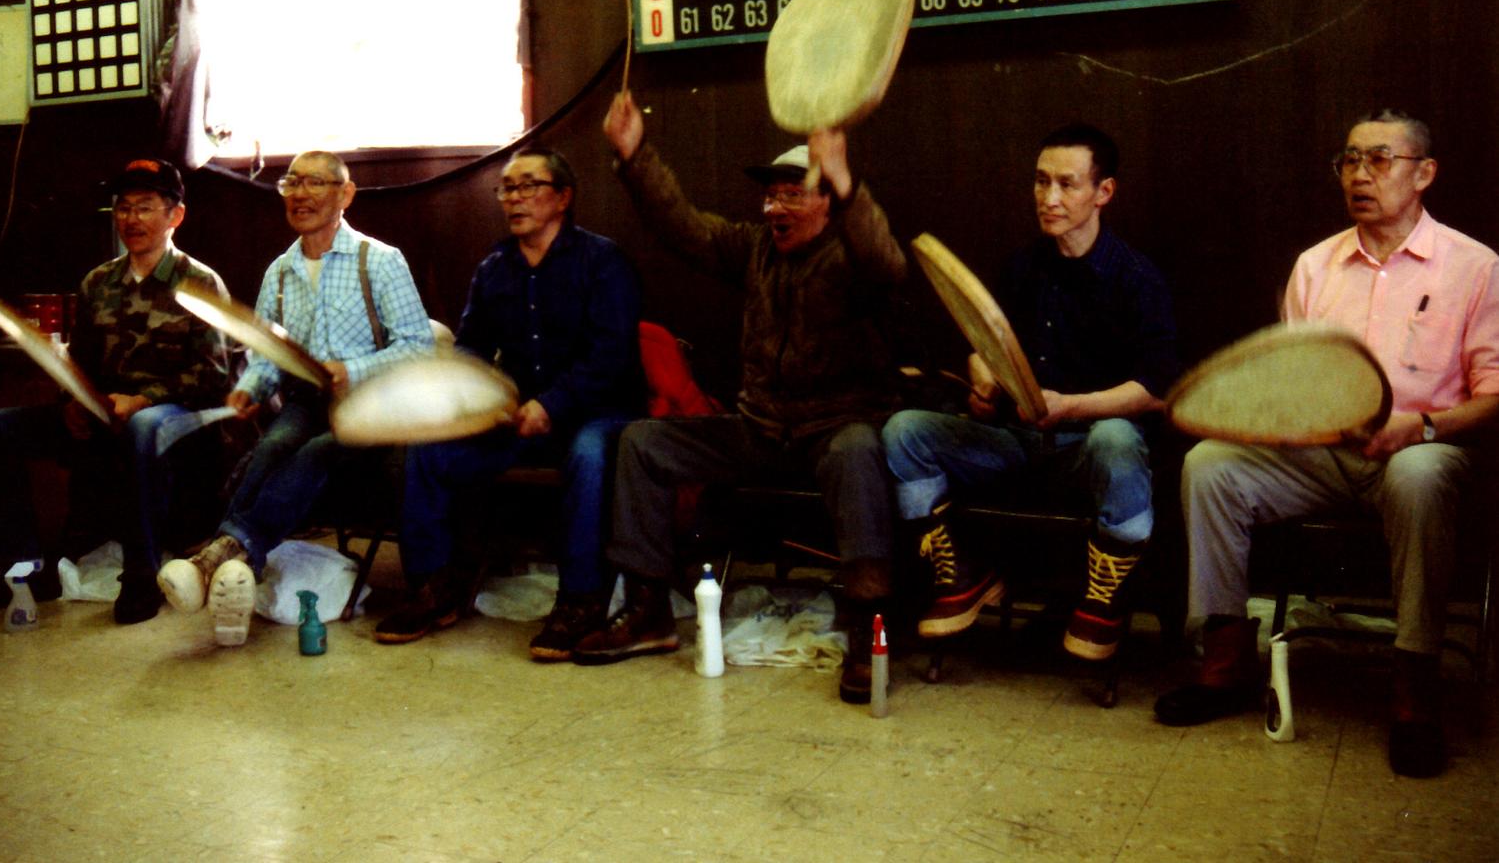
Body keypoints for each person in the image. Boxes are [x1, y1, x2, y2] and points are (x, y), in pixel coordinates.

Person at [1155, 111, 1499, 779]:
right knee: (1209, 466)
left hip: (1418, 448)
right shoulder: (1314, 265)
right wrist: (1274, 420)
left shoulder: (1475, 267)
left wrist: (1421, 427)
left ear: (1422, 173)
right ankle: (1223, 661)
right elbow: (1293, 383)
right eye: (1347, 160)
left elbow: (1493, 393)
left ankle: (1413, 690)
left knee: (1419, 477)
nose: (1359, 175)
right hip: (1322, 453)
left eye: (1377, 159)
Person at [579, 91, 906, 705]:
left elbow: (887, 265)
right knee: (644, 443)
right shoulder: (754, 248)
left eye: (793, 193)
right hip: (760, 429)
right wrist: (634, 155)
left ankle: (869, 626)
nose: (775, 206)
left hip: (834, 428)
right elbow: (684, 226)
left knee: (859, 449)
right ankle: (648, 608)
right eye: (770, 194)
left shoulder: (855, 257)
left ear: (829, 202)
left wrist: (847, 180)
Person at [883, 124, 1178, 661]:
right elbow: (985, 342)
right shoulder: (1024, 266)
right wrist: (984, 379)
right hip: (1015, 442)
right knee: (906, 432)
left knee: (1116, 436)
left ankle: (1105, 596)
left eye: (1067, 184)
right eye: (1041, 182)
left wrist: (1071, 406)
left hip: (1085, 451)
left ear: (1103, 192)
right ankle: (962, 574)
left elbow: (1157, 392)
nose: (1050, 198)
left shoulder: (1137, 278)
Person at [371, 146, 644, 658]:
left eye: (528, 186)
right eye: (507, 188)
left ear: (563, 198)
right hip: (519, 417)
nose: (514, 198)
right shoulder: (495, 267)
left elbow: (610, 357)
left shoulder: (602, 260)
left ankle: (580, 601)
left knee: (587, 454)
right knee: (428, 449)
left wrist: (553, 404)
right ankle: (435, 587)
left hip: (597, 412)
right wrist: (479, 394)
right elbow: (471, 345)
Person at [157, 151, 434, 646]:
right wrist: (250, 388)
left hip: (372, 407)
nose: (300, 194)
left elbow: (419, 345)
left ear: (345, 195)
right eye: (292, 183)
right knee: (270, 446)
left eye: (315, 183)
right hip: (307, 401)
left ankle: (221, 556)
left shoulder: (381, 261)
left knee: (316, 451)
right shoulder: (279, 273)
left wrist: (353, 369)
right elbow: (268, 355)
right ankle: (232, 563)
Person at [0, 158, 230, 625]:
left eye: (145, 208)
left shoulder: (201, 283)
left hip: (176, 423)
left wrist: (143, 398)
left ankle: (143, 576)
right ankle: (23, 572)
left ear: (175, 215)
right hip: (105, 416)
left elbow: (214, 378)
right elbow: (80, 365)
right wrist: (72, 403)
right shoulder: (97, 283)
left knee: (144, 426)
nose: (131, 220)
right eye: (123, 208)